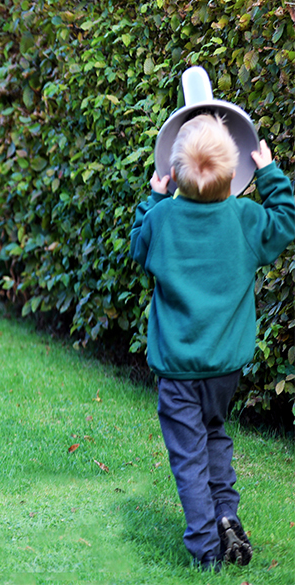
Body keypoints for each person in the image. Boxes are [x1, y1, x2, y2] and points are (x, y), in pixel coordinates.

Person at [130, 113, 295, 571]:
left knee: (189, 457)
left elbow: (138, 247)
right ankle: (225, 513)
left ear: (176, 173)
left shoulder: (162, 219)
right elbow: (286, 220)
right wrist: (269, 172)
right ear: (234, 174)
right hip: (225, 368)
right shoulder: (245, 219)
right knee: (215, 434)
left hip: (179, 369)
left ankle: (206, 549)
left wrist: (152, 197)